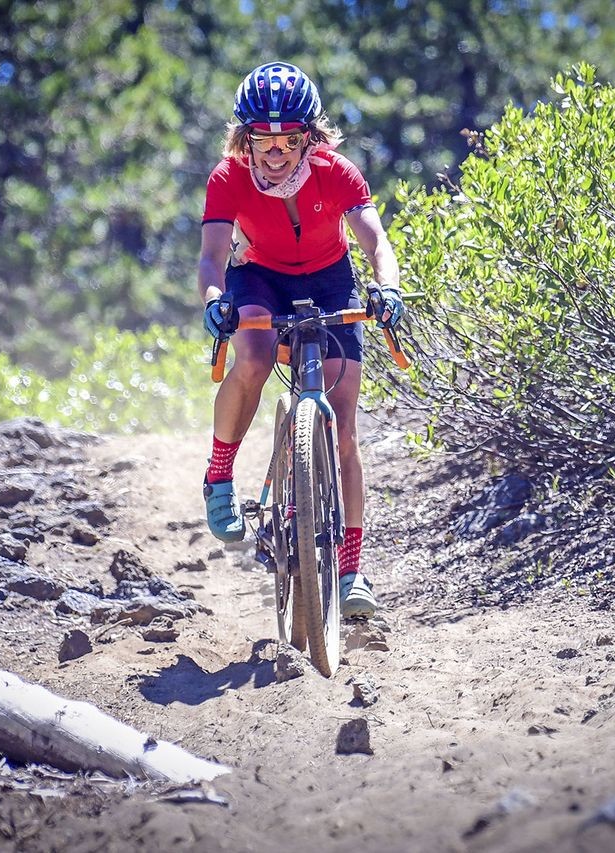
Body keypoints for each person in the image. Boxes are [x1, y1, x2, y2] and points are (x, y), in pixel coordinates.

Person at [196, 61, 404, 620]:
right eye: (263, 140)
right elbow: (213, 257)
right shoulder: (227, 177)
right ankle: (219, 475)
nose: (276, 152)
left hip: (330, 277)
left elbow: (376, 242)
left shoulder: (337, 173)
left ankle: (352, 571)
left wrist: (387, 289)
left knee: (344, 431)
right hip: (259, 275)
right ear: (246, 139)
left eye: (290, 140)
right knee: (256, 353)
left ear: (310, 139)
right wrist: (215, 301)